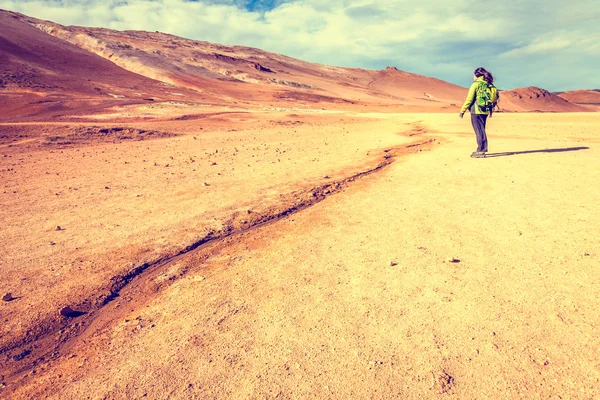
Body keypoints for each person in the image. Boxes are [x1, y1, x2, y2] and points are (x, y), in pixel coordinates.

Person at [459, 67, 496, 158]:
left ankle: (481, 150)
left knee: (479, 131)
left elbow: (470, 99)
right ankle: (482, 149)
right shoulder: (489, 84)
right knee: (481, 130)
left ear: (476, 75)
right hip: (485, 111)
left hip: (476, 111)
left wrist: (462, 110)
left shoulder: (476, 84)